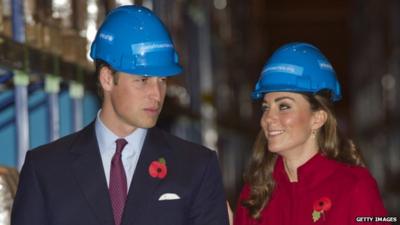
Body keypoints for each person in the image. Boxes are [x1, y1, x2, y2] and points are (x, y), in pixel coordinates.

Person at [11, 5, 229, 225]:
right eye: (143, 80)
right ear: (107, 79)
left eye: (162, 80)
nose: (156, 94)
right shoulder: (46, 170)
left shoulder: (196, 167)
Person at [234, 42, 389, 225]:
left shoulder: (355, 186)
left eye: (284, 106)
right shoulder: (256, 192)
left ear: (318, 118)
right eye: (266, 107)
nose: (268, 118)